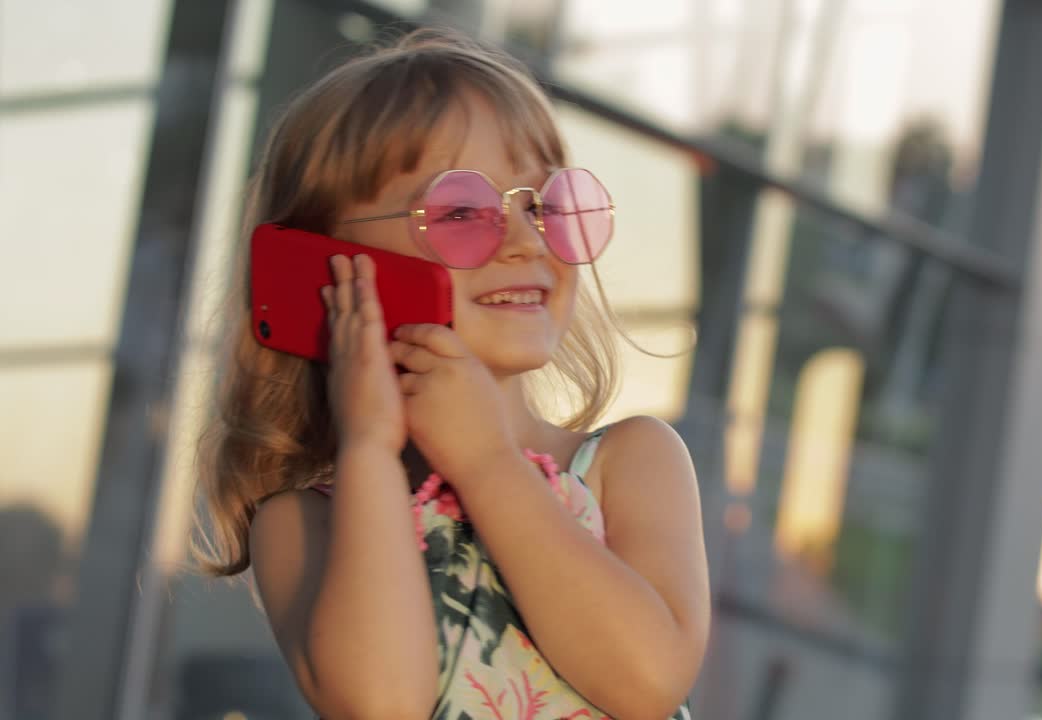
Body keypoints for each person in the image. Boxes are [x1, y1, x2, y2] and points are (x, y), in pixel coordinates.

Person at [195, 27, 710, 720]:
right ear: (321, 264)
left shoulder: (630, 463)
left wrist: (488, 463)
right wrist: (371, 452)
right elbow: (383, 705)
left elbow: (648, 681)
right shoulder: (304, 523)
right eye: (462, 211)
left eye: (543, 205)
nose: (527, 240)